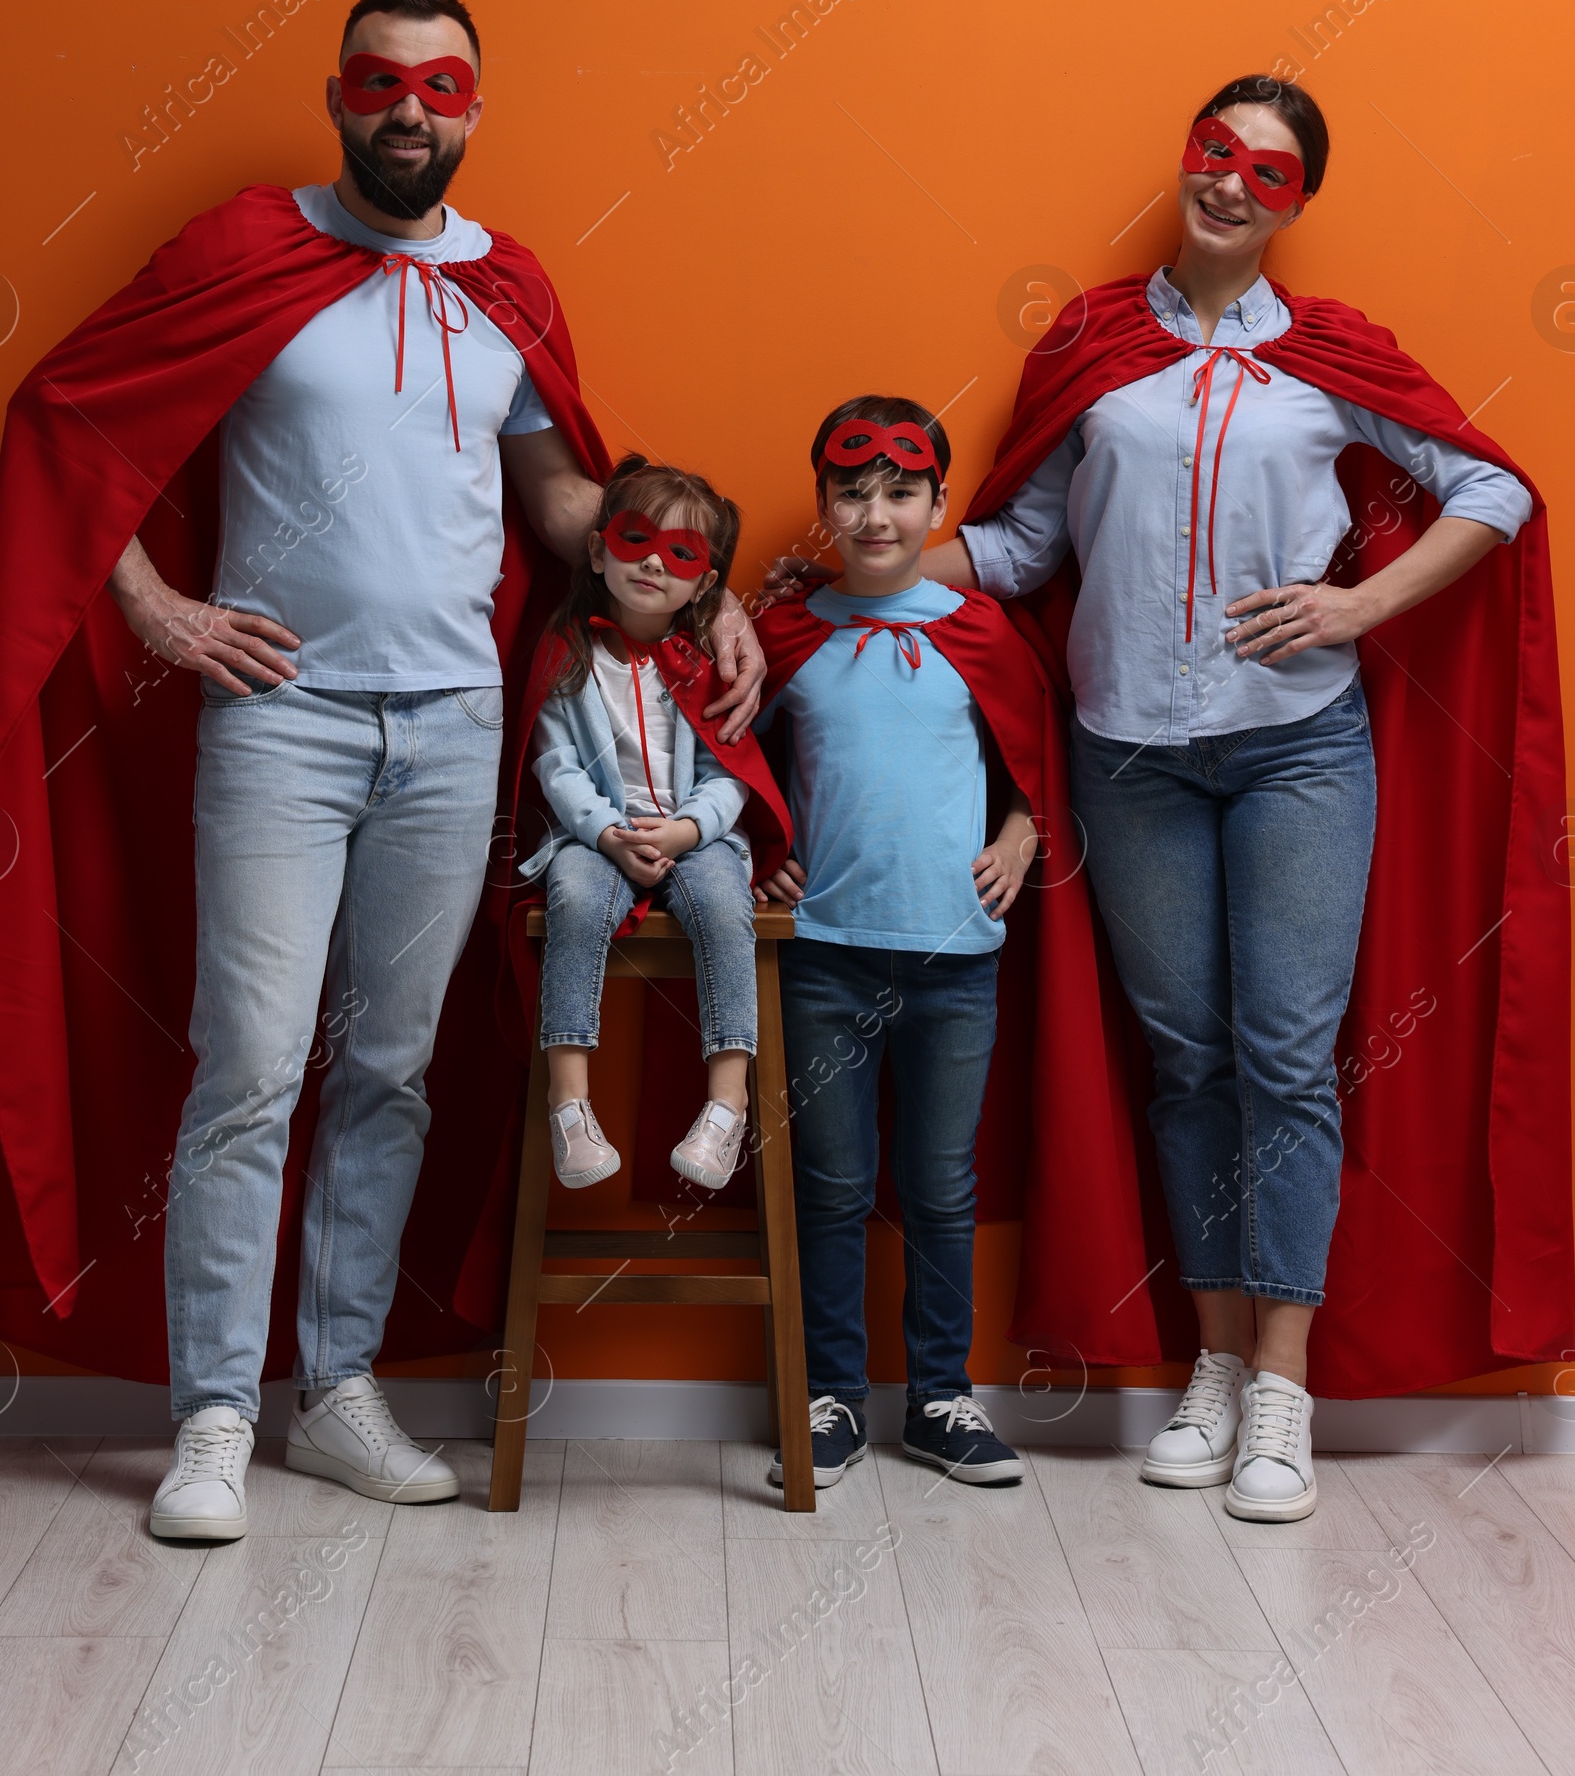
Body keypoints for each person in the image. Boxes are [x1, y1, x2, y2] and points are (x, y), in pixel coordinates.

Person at [0, 0, 764, 1545]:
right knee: (250, 1060)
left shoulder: (507, 285)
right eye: (382, 79)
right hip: (283, 719)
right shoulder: (244, 249)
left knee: (388, 1067)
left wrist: (708, 584)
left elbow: (561, 508)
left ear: (475, 106)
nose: (412, 106)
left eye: (444, 85)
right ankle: (213, 1411)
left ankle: (334, 1390)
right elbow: (73, 419)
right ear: (341, 95)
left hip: (455, 725)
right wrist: (160, 610)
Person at [929, 75, 1561, 1519]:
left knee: (1284, 1055)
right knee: (1190, 1060)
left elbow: (1495, 489)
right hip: (1128, 753)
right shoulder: (1091, 336)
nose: (1230, 183)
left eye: (1267, 173)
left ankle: (1284, 1382)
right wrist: (879, 570)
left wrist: (1361, 606)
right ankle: (1211, 1364)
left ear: (1295, 203)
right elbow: (1025, 542)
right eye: (1216, 154)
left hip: (1296, 748)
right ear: (1186, 161)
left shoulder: (1332, 355)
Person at [752, 398, 1046, 1488]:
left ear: (936, 502)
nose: (875, 514)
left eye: (900, 492)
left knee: (939, 1186)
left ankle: (940, 1398)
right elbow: (715, 758)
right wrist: (751, 850)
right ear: (824, 499)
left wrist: (1019, 835)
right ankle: (827, 1392)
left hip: (955, 957)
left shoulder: (980, 632)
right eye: (851, 492)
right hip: (823, 950)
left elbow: (1033, 759)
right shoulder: (782, 632)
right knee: (829, 1184)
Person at [517, 458, 790, 1192]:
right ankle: (569, 1102)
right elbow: (556, 766)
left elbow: (732, 771)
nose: (651, 563)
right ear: (599, 548)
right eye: (635, 540)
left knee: (725, 902)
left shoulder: (706, 661)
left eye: (681, 553)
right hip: (592, 839)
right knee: (572, 897)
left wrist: (687, 832)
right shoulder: (566, 654)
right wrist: (606, 833)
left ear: (705, 582)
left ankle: (726, 1106)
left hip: (693, 836)